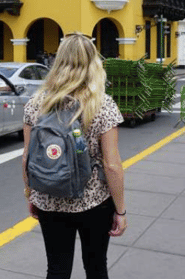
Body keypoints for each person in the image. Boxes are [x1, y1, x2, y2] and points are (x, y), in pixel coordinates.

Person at [22, 33, 126, 278]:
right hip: (94, 203)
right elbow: (112, 165)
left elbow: (27, 156)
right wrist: (120, 211)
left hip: (50, 199)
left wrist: (31, 194)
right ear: (92, 63)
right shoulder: (102, 104)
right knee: (96, 266)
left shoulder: (37, 103)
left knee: (57, 269)